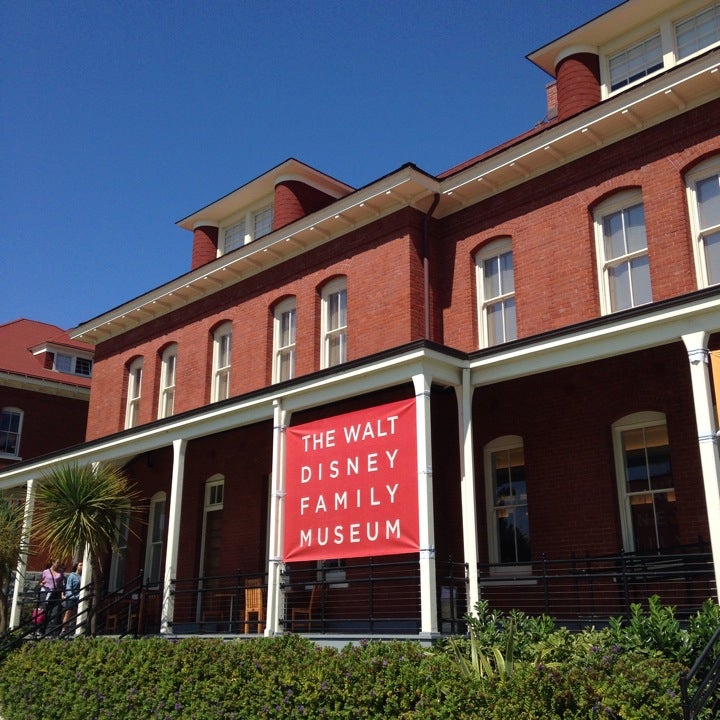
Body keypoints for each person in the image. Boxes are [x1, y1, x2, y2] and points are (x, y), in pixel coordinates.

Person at [38, 558, 65, 635]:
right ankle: (41, 630)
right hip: (46, 593)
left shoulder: (60, 573)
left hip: (55, 593)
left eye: (60, 563)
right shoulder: (46, 572)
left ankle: (50, 631)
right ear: (53, 562)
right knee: (45, 611)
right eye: (57, 562)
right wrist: (41, 583)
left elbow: (62, 584)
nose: (59, 564)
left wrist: (62, 594)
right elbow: (40, 582)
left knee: (55, 612)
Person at [62, 560, 83, 627]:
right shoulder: (72, 576)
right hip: (71, 596)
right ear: (76, 567)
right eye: (80, 565)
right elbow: (68, 586)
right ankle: (64, 629)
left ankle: (74, 628)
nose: (82, 566)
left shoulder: (83, 576)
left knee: (77, 612)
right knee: (68, 612)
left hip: (79, 596)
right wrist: (71, 595)